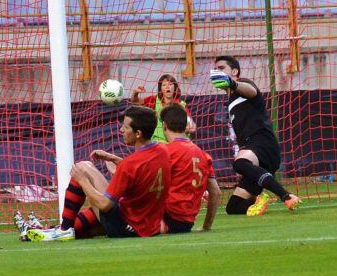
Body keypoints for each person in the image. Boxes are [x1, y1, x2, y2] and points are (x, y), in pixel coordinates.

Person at [25, 106, 170, 241]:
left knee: (82, 168)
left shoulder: (129, 164)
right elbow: (141, 169)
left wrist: (83, 181)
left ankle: (63, 230)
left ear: (138, 133)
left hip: (126, 227)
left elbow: (104, 205)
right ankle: (50, 231)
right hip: (149, 225)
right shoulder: (162, 151)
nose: (121, 130)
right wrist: (114, 158)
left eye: (125, 127)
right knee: (88, 230)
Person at [210, 55, 301, 216]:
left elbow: (251, 91)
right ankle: (261, 199)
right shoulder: (230, 99)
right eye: (215, 69)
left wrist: (233, 83)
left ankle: (286, 196)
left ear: (235, 71)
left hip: (263, 144)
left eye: (221, 68)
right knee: (234, 207)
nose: (217, 71)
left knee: (239, 163)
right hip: (257, 157)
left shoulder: (244, 84)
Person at [159, 103, 220, 233]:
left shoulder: (166, 151)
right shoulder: (203, 155)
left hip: (166, 216)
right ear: (185, 126)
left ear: (164, 126)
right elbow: (216, 192)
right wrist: (206, 226)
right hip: (186, 224)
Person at [132, 73, 196, 143]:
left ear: (175, 87)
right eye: (164, 85)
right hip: (159, 144)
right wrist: (135, 92)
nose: (167, 87)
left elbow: (192, 127)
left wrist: (181, 130)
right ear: (161, 89)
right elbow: (135, 101)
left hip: (176, 144)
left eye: (170, 84)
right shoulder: (154, 100)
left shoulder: (181, 105)